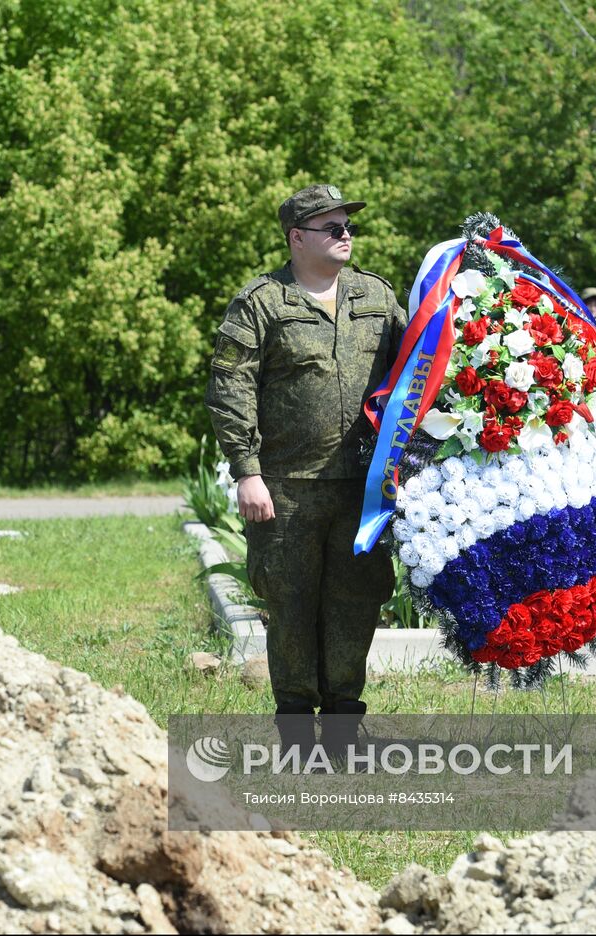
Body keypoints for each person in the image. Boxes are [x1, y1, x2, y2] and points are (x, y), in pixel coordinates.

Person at [205, 184, 406, 760]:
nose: (346, 236)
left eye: (348, 227)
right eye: (331, 228)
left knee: (355, 604)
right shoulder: (262, 302)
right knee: (290, 609)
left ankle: (344, 730)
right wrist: (247, 471)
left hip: (362, 488)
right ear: (297, 238)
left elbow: (417, 366)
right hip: (285, 489)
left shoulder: (375, 295)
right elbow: (230, 387)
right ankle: (296, 734)